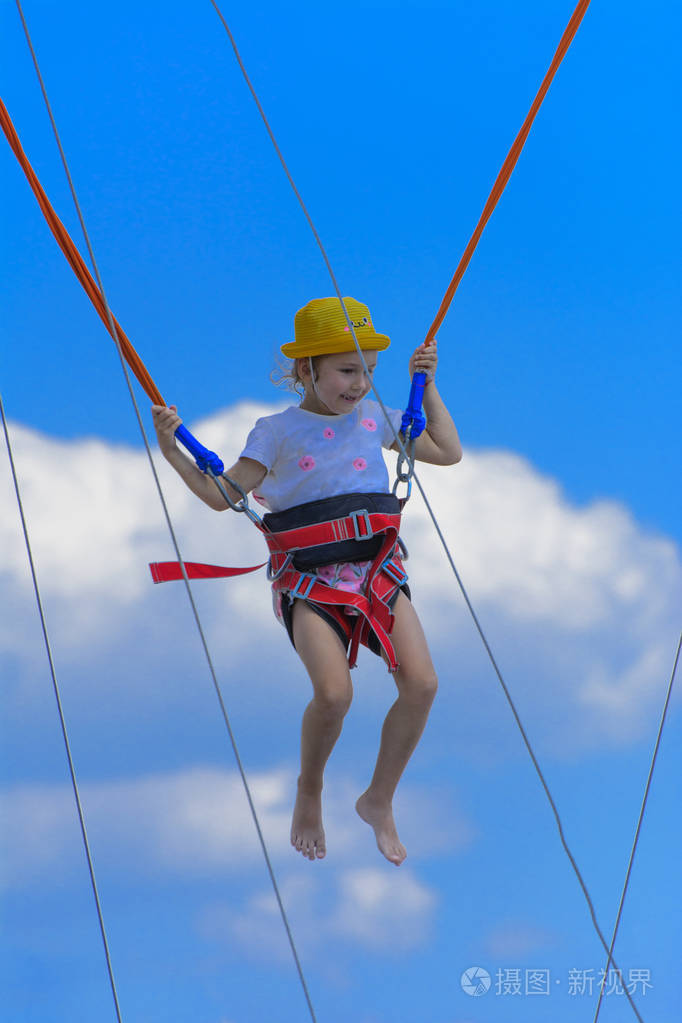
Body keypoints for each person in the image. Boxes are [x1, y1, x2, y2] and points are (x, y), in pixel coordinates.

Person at [152, 297, 462, 866]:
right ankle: (310, 788)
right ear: (306, 370)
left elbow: (447, 451)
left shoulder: (380, 420)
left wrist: (427, 386)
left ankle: (378, 799)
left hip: (377, 574)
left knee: (422, 685)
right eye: (347, 370)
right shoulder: (276, 432)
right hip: (310, 584)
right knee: (333, 694)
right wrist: (175, 452)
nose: (360, 383)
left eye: (368, 370)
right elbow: (223, 496)